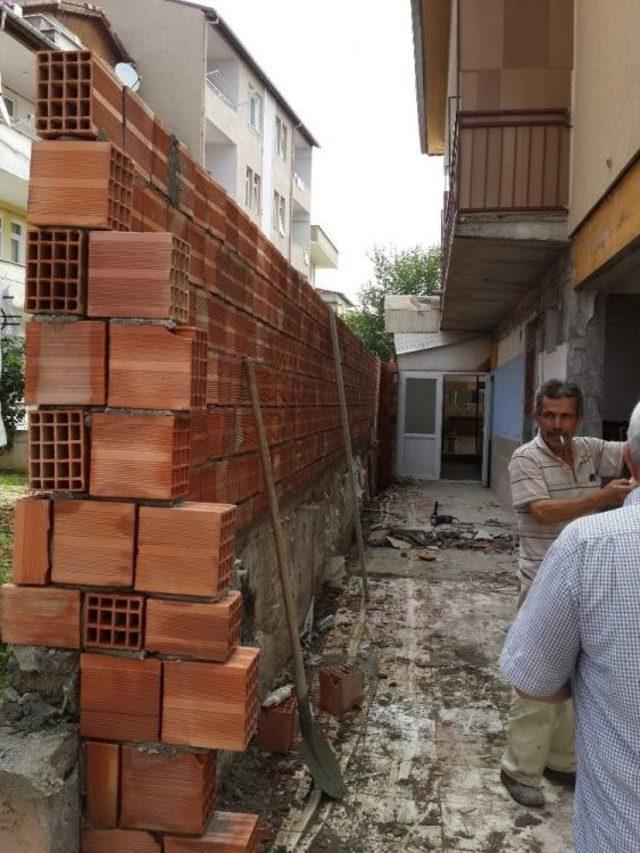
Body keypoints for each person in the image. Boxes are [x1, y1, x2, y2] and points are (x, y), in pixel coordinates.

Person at [500, 400, 640, 852]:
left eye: (565, 417)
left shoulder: (586, 450)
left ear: (578, 420)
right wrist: (605, 498)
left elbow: (627, 448)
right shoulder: (525, 457)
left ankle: (561, 760)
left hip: (591, 578)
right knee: (539, 686)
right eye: (548, 416)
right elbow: (541, 513)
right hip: (542, 577)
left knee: (582, 685)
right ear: (536, 419)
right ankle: (519, 767)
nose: (557, 425)